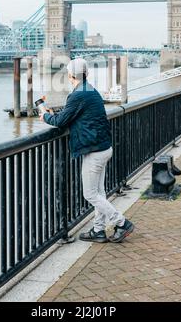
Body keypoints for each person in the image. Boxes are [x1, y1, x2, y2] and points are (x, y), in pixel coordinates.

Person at [39, 58, 134, 243]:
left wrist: (46, 117)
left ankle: (122, 223)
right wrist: (55, 114)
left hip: (94, 151)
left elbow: (60, 122)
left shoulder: (78, 94)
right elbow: (72, 115)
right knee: (99, 193)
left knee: (90, 194)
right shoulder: (89, 90)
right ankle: (98, 230)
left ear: (69, 76)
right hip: (103, 147)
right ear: (87, 74)